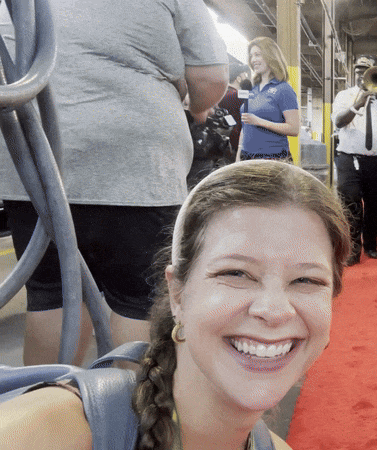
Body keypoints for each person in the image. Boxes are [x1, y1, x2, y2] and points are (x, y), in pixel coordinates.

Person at [0, 160, 352, 450]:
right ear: (177, 294)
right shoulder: (50, 431)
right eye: (236, 273)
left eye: (307, 280)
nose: (274, 311)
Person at [0, 0, 229, 365]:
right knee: (140, 301)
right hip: (135, 165)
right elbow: (210, 78)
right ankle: (134, 400)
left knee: (52, 296)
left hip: (33, 157)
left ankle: (48, 397)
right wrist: (195, 105)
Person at [332, 55, 377, 266]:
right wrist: (357, 104)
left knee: (374, 204)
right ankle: (353, 248)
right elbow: (338, 121)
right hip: (349, 159)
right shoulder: (344, 95)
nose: (362, 75)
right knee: (350, 201)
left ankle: (370, 244)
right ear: (353, 74)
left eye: (366, 71)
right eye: (358, 71)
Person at [237, 37, 300, 162]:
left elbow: (294, 129)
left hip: (273, 159)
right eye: (251, 56)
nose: (253, 59)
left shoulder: (283, 89)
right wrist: (238, 155)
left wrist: (259, 121)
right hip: (247, 157)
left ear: (270, 56)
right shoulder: (252, 88)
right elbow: (246, 125)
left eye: (257, 55)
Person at [218, 64, 251, 163]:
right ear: (238, 78)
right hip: (235, 145)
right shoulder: (235, 95)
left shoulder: (222, 93)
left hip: (226, 143)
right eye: (244, 75)